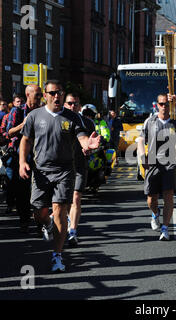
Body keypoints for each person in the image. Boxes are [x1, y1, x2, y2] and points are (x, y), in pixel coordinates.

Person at [19, 80, 101, 272]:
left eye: (60, 93)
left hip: (65, 170)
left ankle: (57, 255)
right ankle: (46, 224)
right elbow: (25, 140)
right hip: (41, 171)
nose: (57, 96)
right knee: (38, 211)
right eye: (53, 93)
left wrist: (87, 145)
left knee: (59, 209)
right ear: (46, 95)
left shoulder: (72, 118)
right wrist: (23, 161)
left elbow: (81, 138)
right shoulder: (34, 116)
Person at [137, 93, 176, 242]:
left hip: (170, 164)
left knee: (168, 196)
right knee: (151, 199)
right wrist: (142, 157)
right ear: (157, 105)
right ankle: (155, 213)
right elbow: (140, 139)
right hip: (152, 164)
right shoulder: (150, 121)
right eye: (161, 104)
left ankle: (165, 228)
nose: (164, 107)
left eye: (167, 104)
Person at [5, 85, 42, 232]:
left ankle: (40, 223)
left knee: (40, 190)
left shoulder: (43, 111)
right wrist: (24, 123)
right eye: (37, 95)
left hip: (40, 156)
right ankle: (24, 220)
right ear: (28, 94)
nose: (40, 97)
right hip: (20, 156)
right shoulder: (17, 111)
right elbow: (9, 133)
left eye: (41, 95)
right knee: (22, 191)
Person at [64, 93, 96, 246]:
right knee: (62, 201)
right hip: (61, 167)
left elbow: (91, 143)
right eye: (69, 103)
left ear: (80, 106)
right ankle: (61, 221)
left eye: (75, 103)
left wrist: (89, 149)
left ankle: (72, 232)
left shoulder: (88, 123)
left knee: (76, 197)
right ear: (65, 104)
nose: (72, 106)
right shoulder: (58, 120)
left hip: (80, 165)